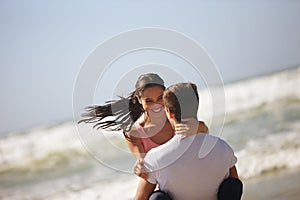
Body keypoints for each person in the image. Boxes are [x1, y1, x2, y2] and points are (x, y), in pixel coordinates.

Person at [79, 73, 208, 178]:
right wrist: (139, 167)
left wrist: (196, 127)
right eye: (149, 101)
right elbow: (144, 166)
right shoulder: (135, 133)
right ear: (139, 100)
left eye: (160, 98)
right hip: (164, 182)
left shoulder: (175, 116)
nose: (156, 105)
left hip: (191, 172)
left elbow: (205, 132)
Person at [134, 82, 243, 200]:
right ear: (196, 106)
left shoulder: (155, 157)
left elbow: (140, 198)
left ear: (169, 112)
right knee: (233, 184)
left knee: (156, 198)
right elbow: (234, 184)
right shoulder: (223, 147)